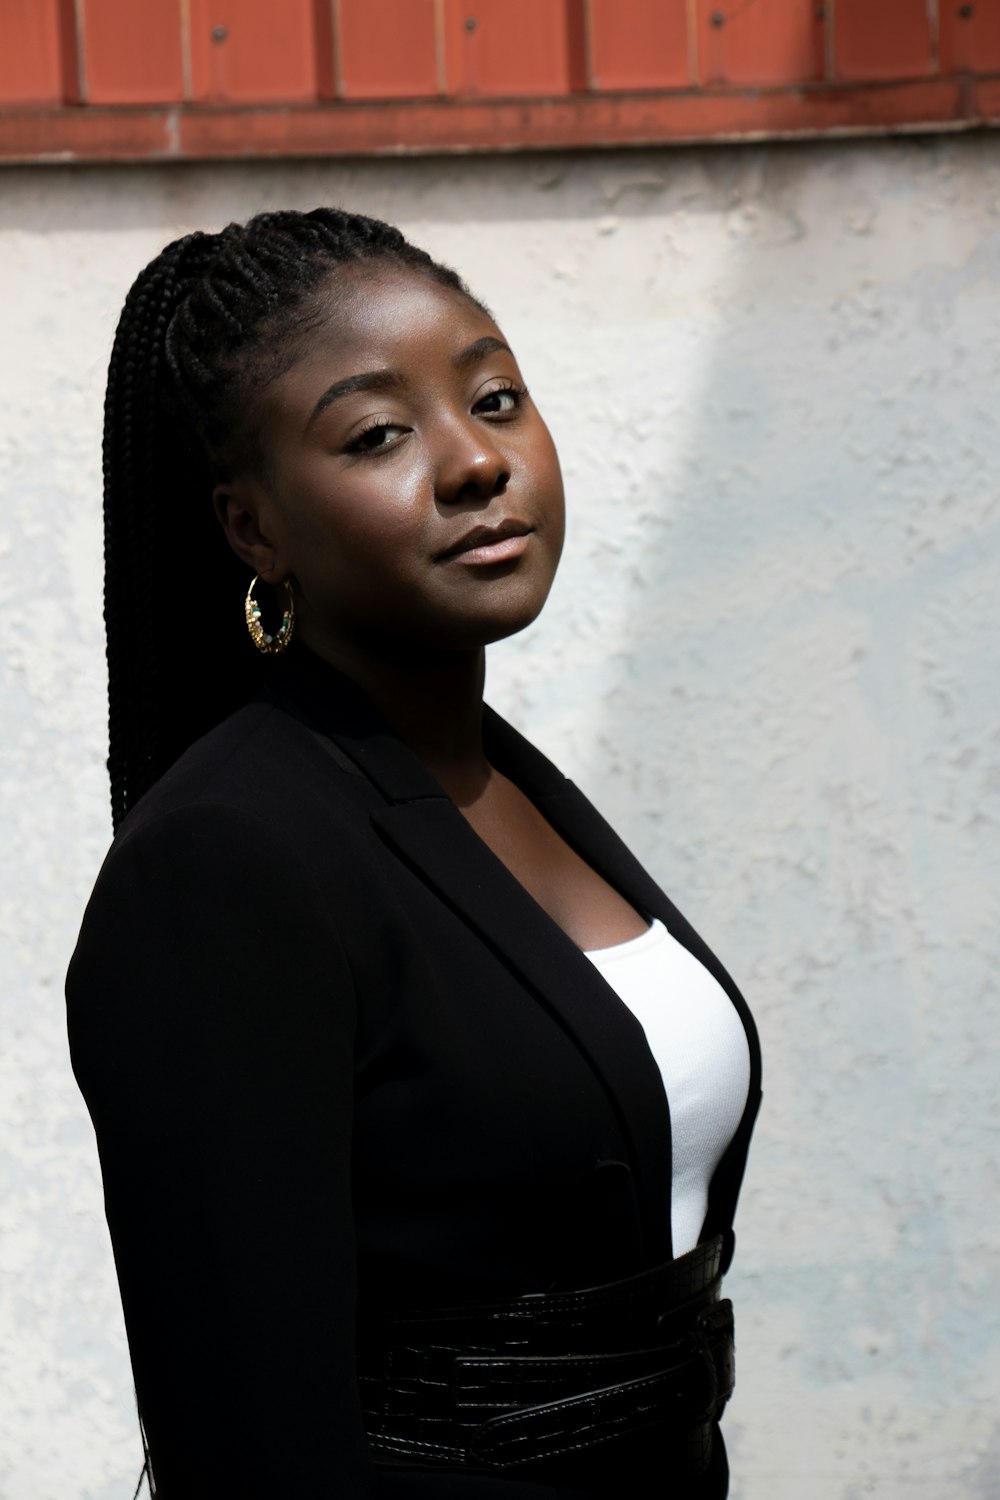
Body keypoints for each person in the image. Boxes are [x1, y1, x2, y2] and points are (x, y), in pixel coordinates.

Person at [66, 207, 762, 1499]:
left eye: (495, 398)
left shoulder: (509, 787)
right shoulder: (231, 858)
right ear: (252, 530)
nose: (474, 463)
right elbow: (247, 1443)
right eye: (379, 434)